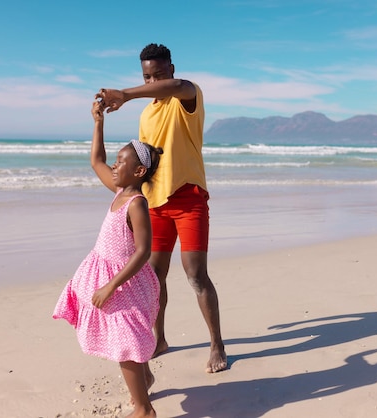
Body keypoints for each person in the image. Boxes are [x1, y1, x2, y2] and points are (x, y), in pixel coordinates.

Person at [95, 43, 227, 373]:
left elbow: (174, 87)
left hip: (188, 197)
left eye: (157, 75)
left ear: (170, 69)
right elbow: (144, 164)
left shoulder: (187, 96)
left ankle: (217, 344)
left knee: (196, 275)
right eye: (146, 76)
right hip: (155, 202)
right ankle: (159, 339)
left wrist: (125, 93)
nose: (152, 82)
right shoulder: (147, 114)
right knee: (154, 277)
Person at [53, 100, 163, 418]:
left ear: (139, 171)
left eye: (121, 162)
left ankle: (144, 410)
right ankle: (146, 378)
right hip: (110, 278)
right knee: (126, 341)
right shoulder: (119, 191)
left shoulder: (136, 203)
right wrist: (98, 122)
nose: (114, 166)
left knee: (126, 343)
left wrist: (110, 286)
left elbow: (143, 251)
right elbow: (96, 160)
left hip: (125, 284)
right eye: (116, 161)